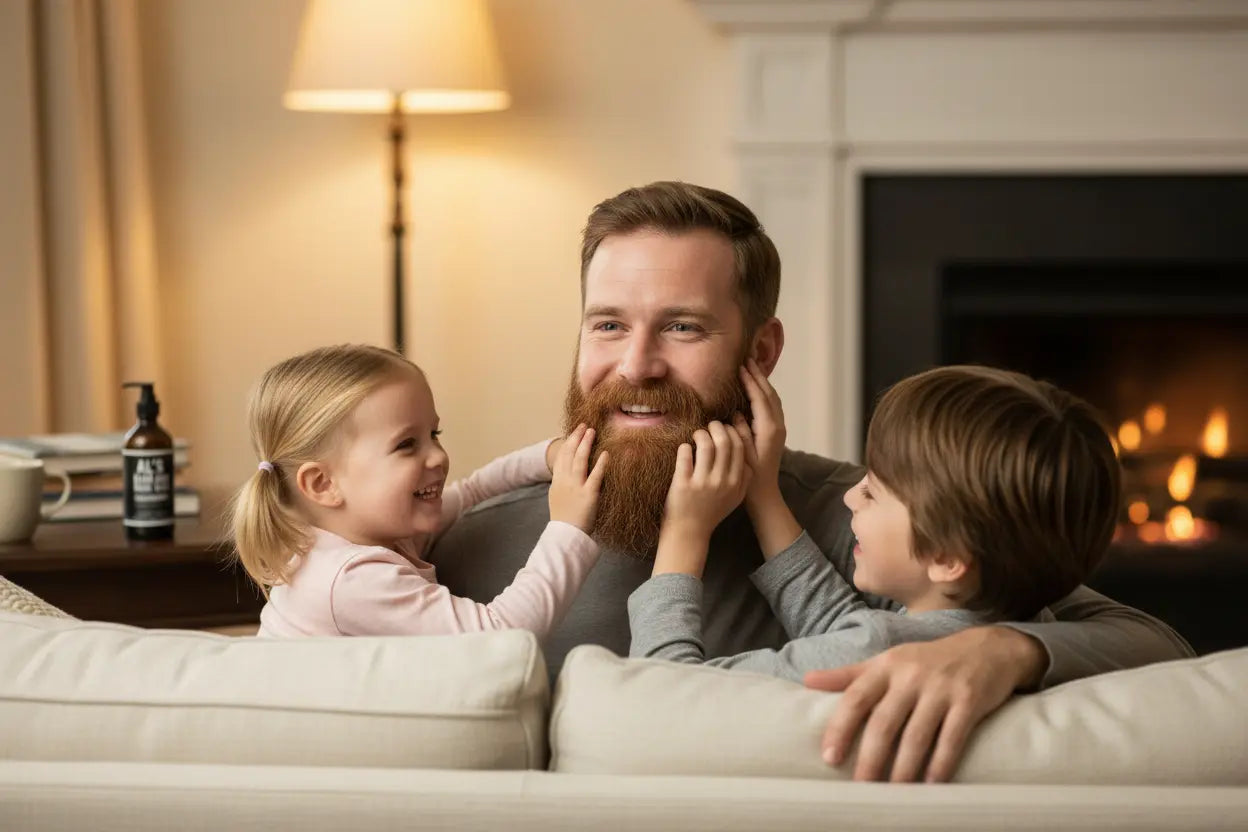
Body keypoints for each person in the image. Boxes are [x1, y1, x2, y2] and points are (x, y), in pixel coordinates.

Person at [427, 181, 1194, 781]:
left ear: (761, 353)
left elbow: (1152, 642)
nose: (636, 365)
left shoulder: (870, 517)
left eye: (683, 326)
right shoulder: (471, 537)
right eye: (608, 324)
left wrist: (1005, 651)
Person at [628, 362, 1122, 696]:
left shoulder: (877, 652)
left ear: (947, 557)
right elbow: (845, 631)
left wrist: (683, 533)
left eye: (873, 492)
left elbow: (665, 697)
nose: (849, 494)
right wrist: (765, 497)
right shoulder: (1044, 632)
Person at [230, 343, 608, 638]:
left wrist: (549, 456)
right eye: (406, 445)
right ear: (323, 484)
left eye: (434, 435)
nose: (438, 457)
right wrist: (568, 528)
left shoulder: (378, 531)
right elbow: (499, 634)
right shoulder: (349, 580)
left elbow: (475, 490)